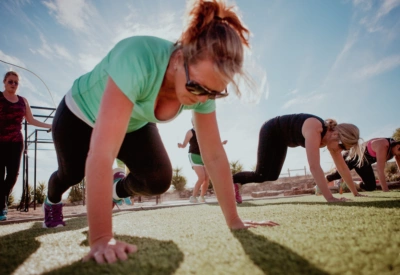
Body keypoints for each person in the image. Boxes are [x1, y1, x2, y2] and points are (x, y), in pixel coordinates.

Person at [43, 0, 278, 264]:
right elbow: (103, 151)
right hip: (79, 115)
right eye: (198, 89)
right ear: (179, 58)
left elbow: (213, 154)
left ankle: (114, 191)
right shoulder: (137, 58)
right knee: (71, 174)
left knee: (158, 178)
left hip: (134, 122)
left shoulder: (202, 86)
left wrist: (235, 220)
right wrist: (101, 238)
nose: (204, 100)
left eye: (215, 93)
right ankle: (52, 200)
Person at [232, 113, 366, 204]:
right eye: (342, 147)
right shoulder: (316, 128)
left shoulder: (333, 140)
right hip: (272, 130)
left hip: (282, 140)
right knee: (260, 174)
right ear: (336, 134)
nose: (340, 151)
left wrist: (355, 193)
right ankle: (231, 180)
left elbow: (342, 167)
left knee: (272, 176)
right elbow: (314, 166)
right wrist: (330, 198)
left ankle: (236, 184)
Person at [0, 71, 52, 221]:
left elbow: (31, 120)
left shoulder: (23, 101)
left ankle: (1, 202)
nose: (13, 84)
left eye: (16, 82)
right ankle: (2, 208)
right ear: (4, 82)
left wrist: (50, 125)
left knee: (12, 176)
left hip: (16, 143)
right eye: (10, 81)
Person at [326, 138, 400, 192]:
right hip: (353, 156)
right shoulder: (383, 145)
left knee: (370, 187)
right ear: (398, 146)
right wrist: (385, 190)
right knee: (338, 175)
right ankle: (323, 182)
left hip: (364, 163)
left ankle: (357, 184)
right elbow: (380, 170)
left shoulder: (395, 150)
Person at [178, 124, 227, 203]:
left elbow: (211, 144)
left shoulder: (204, 132)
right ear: (193, 122)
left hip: (204, 156)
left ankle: (202, 197)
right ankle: (193, 197)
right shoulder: (190, 132)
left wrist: (221, 143)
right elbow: (184, 145)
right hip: (194, 155)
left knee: (207, 178)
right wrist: (181, 145)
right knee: (201, 177)